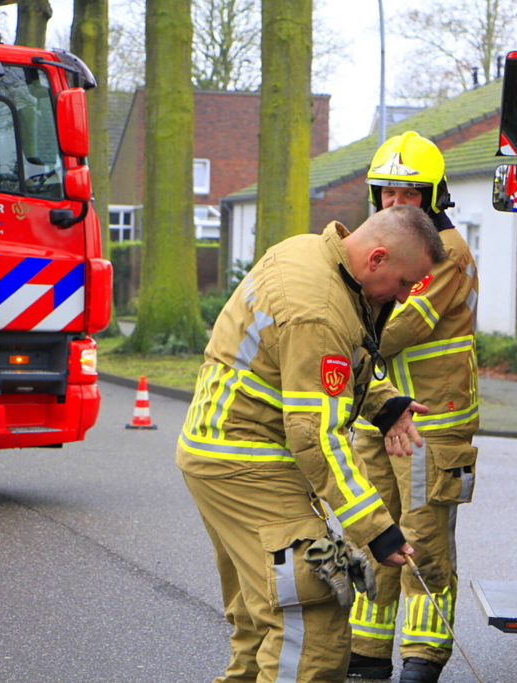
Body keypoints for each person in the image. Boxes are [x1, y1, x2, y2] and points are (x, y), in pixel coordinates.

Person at [177, 204, 447, 683]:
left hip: (220, 453)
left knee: (264, 625)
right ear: (378, 259)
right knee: (310, 614)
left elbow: (320, 369)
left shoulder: (311, 255)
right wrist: (377, 529)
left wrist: (383, 405)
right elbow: (315, 434)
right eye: (406, 284)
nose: (405, 299)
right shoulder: (319, 308)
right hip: (251, 463)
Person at [348, 132, 480, 683]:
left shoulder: (443, 255)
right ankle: (367, 657)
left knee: (422, 545)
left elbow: (396, 327)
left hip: (431, 427)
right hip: (375, 420)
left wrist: (333, 328)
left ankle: (421, 663)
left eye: (409, 194)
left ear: (432, 197)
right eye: (387, 194)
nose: (396, 206)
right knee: (370, 536)